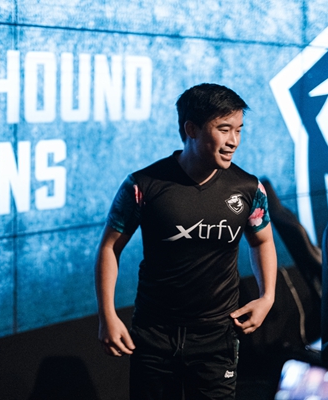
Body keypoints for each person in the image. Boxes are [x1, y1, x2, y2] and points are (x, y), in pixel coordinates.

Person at [94, 83, 277, 400]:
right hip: (153, 334)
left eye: (239, 130)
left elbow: (262, 242)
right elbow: (110, 247)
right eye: (224, 129)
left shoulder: (248, 188)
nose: (234, 141)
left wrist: (268, 297)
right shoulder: (143, 185)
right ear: (191, 129)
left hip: (217, 335)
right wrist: (107, 315)